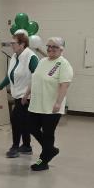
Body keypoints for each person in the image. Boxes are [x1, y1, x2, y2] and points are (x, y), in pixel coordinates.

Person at [23, 37, 73, 171]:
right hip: (36, 104)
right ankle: (50, 149)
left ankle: (43, 161)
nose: (50, 49)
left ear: (61, 49)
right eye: (48, 46)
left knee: (48, 134)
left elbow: (64, 85)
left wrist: (58, 103)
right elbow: (35, 79)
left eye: (54, 47)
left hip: (51, 107)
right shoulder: (42, 61)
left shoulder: (63, 64)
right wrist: (26, 93)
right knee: (30, 127)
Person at [0, 31, 39, 158]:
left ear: (22, 44)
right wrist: (0, 87)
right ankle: (26, 146)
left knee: (16, 120)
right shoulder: (14, 57)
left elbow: (37, 77)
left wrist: (27, 94)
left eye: (13, 43)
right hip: (18, 95)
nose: (11, 45)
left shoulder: (31, 57)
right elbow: (10, 75)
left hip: (27, 96)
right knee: (24, 121)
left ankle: (15, 146)